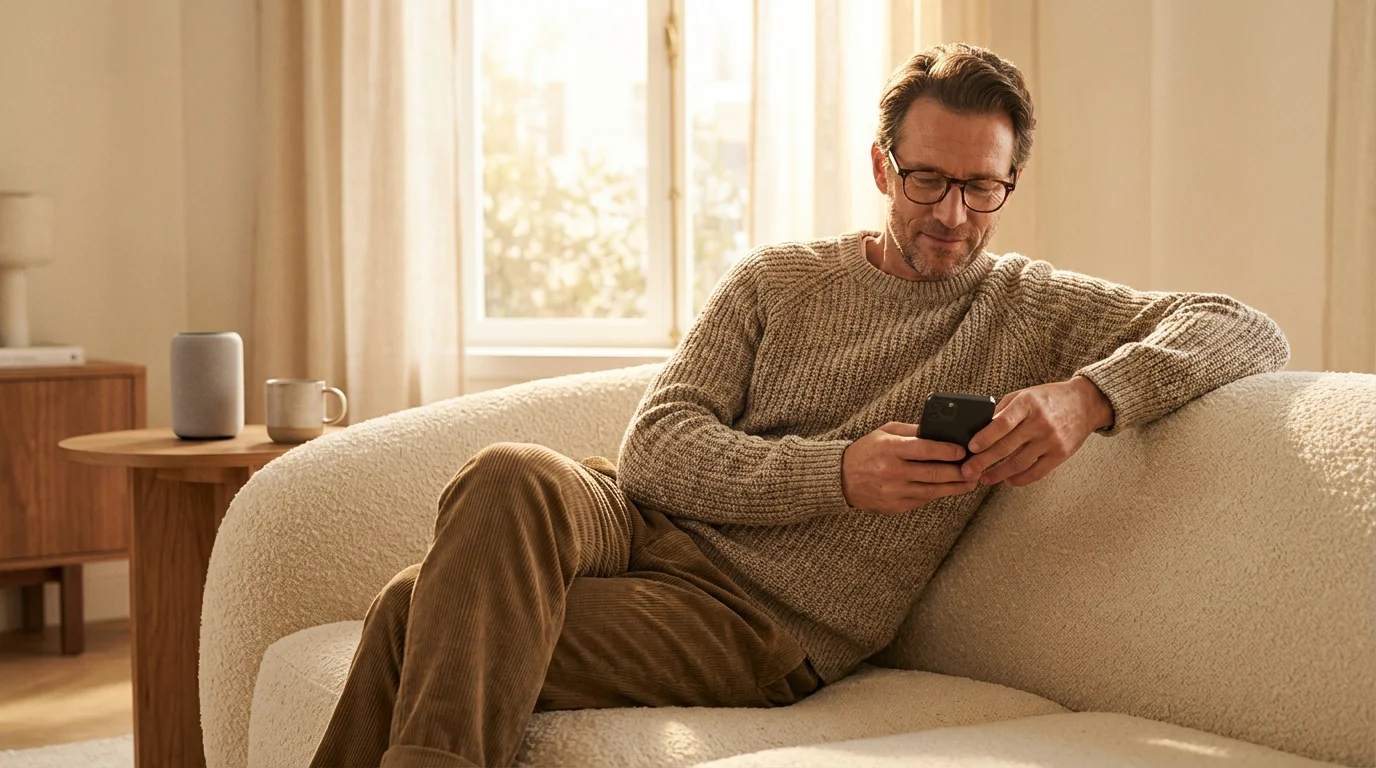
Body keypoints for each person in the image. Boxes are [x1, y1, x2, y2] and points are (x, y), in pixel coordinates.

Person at [310, 42, 1288, 768]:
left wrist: (1089, 398)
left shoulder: (1029, 307)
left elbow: (1242, 326)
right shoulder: (776, 280)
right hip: (636, 523)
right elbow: (656, 451)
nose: (951, 214)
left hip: (752, 624)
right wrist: (838, 472)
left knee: (411, 611)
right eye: (927, 180)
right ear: (881, 167)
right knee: (509, 471)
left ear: (1010, 183)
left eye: (981, 188)